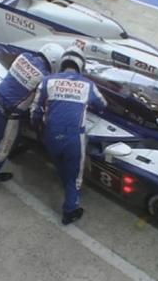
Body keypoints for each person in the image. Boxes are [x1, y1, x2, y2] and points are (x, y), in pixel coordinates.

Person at [30, 46, 107, 225]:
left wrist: (37, 127)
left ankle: (65, 182)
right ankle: (70, 210)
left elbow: (35, 110)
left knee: (60, 164)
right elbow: (103, 105)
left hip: (50, 135)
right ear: (81, 66)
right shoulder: (88, 85)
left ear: (62, 63)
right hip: (74, 138)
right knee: (75, 176)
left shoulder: (47, 81)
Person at [0, 43, 64, 183]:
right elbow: (44, 101)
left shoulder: (23, 57)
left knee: (12, 136)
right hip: (8, 115)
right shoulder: (44, 78)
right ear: (54, 62)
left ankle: (11, 150)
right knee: (2, 145)